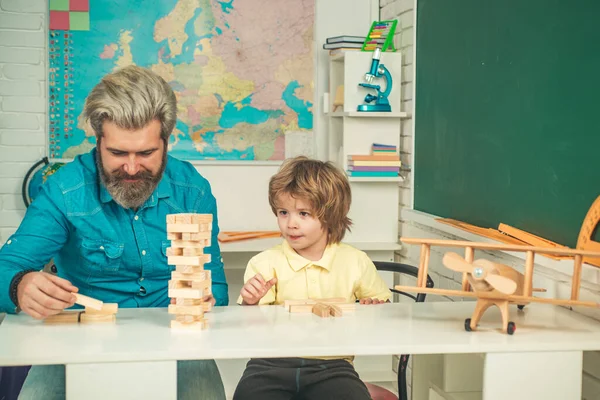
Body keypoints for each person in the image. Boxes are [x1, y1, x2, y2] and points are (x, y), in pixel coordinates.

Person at [0, 65, 228, 400]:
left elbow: (216, 287)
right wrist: (19, 285)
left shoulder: (192, 191)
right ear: (98, 140)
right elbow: (6, 266)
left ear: (166, 140)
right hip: (78, 336)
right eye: (118, 153)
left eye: (146, 153)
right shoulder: (64, 190)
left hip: (175, 337)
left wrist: (208, 299)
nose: (133, 168)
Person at [233, 156, 391, 400]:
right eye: (283, 212)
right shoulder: (263, 263)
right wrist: (250, 303)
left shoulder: (356, 261)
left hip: (333, 366)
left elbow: (384, 315)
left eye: (303, 213)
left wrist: (374, 310)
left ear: (330, 216)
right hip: (269, 365)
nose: (291, 224)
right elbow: (250, 330)